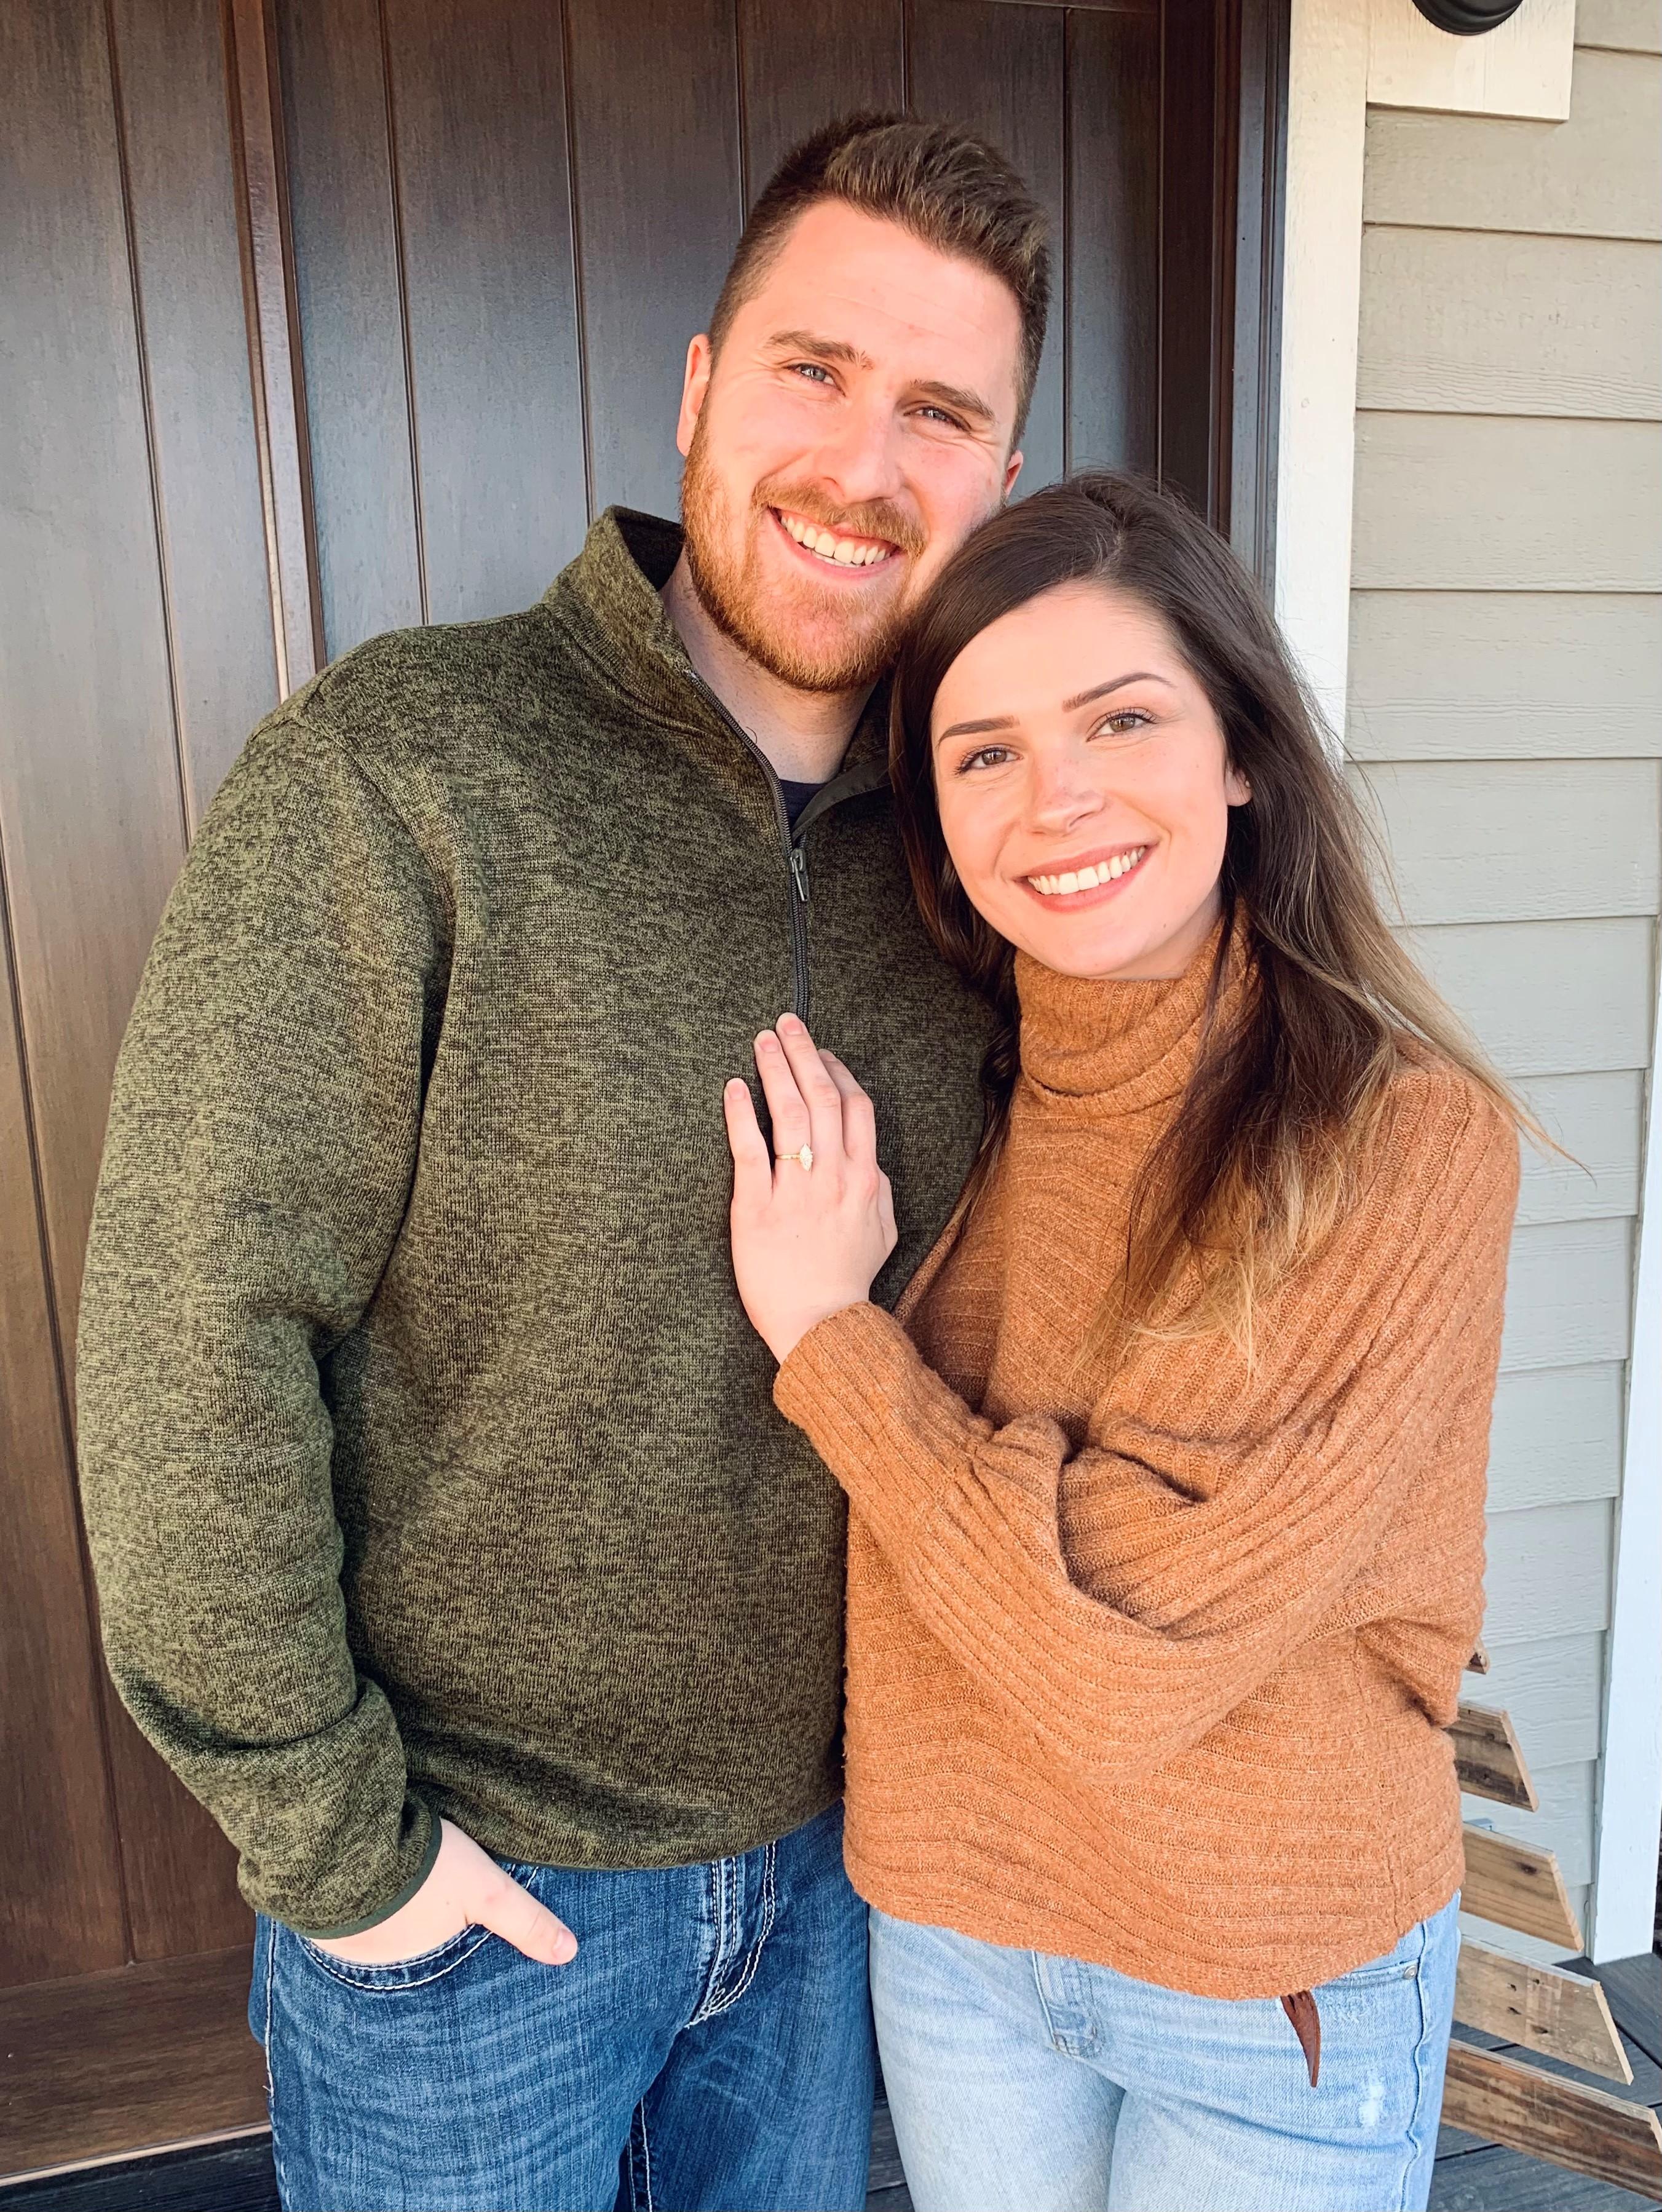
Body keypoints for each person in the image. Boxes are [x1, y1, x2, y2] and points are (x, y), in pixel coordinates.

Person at [74, 115, 1047, 2212]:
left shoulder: (996, 854)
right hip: (474, 1908)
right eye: (815, 372)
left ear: (1003, 486)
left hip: (843, 1885)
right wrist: (344, 1854)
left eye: (942, 414)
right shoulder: (397, 774)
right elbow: (192, 1332)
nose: (865, 464)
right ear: (701, 388)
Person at [724, 470, 1522, 2212]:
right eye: (985, 751)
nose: (1056, 797)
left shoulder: (1400, 1142)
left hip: (1262, 1978)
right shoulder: (962, 1096)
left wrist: (835, 1347)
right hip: (956, 1936)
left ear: (1241, 745)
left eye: (1121, 718)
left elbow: (1121, 1652)